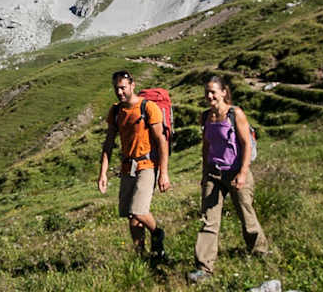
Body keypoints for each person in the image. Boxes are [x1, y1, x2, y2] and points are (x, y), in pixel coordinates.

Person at [188, 75, 269, 283]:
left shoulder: (236, 114)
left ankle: (260, 252)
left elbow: (246, 144)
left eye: (213, 91)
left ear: (224, 92)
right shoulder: (206, 116)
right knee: (208, 220)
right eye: (207, 92)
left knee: (246, 214)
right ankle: (204, 268)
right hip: (214, 174)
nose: (209, 96)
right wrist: (205, 173)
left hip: (235, 172)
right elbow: (206, 146)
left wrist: (242, 173)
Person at [97, 70, 171, 257]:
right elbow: (108, 143)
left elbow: (162, 142)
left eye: (123, 88)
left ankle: (157, 233)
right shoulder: (115, 111)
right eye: (116, 88)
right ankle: (142, 255)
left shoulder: (148, 108)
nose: (120, 92)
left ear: (132, 85)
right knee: (131, 216)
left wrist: (163, 172)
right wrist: (103, 173)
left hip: (147, 165)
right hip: (127, 167)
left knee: (138, 211)